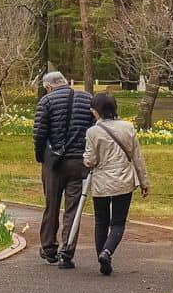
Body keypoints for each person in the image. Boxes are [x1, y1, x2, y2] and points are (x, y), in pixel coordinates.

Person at [82, 92, 149, 276]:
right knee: (118, 222)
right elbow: (137, 157)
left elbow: (89, 160)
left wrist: (87, 159)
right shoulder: (128, 127)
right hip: (124, 181)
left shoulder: (93, 132)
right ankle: (108, 252)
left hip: (102, 183)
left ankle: (102, 259)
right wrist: (144, 182)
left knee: (101, 221)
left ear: (97, 111)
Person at [32, 71, 94, 269]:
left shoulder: (46, 101)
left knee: (52, 205)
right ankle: (67, 252)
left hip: (54, 163)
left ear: (48, 86)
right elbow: (94, 128)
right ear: (66, 83)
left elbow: (39, 133)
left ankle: (49, 248)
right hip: (79, 161)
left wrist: (41, 157)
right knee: (73, 209)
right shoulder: (87, 99)